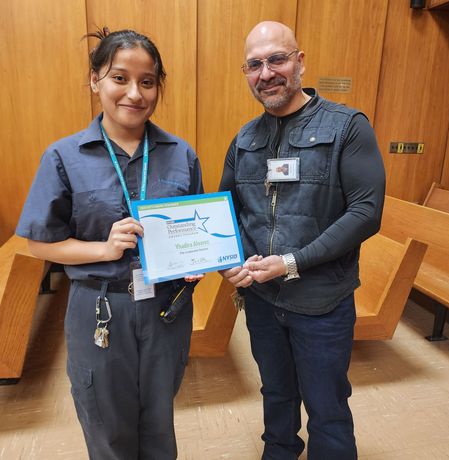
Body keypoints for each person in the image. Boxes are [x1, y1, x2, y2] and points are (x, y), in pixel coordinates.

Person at [16, 28, 203, 459]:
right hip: (100, 307)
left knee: (159, 419)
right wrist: (103, 249)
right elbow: (39, 245)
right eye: (120, 78)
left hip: (166, 306)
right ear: (95, 80)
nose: (135, 93)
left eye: (148, 81)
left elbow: (193, 229)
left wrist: (196, 258)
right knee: (107, 424)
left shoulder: (181, 153)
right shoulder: (64, 157)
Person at [219, 21, 385, 460]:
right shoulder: (245, 138)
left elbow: (366, 213)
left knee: (327, 407)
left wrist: (292, 262)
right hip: (262, 300)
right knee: (275, 396)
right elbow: (227, 211)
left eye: (277, 59)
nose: (266, 73)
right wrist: (228, 260)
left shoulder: (347, 127)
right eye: (254, 64)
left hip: (322, 303)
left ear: (299, 60)